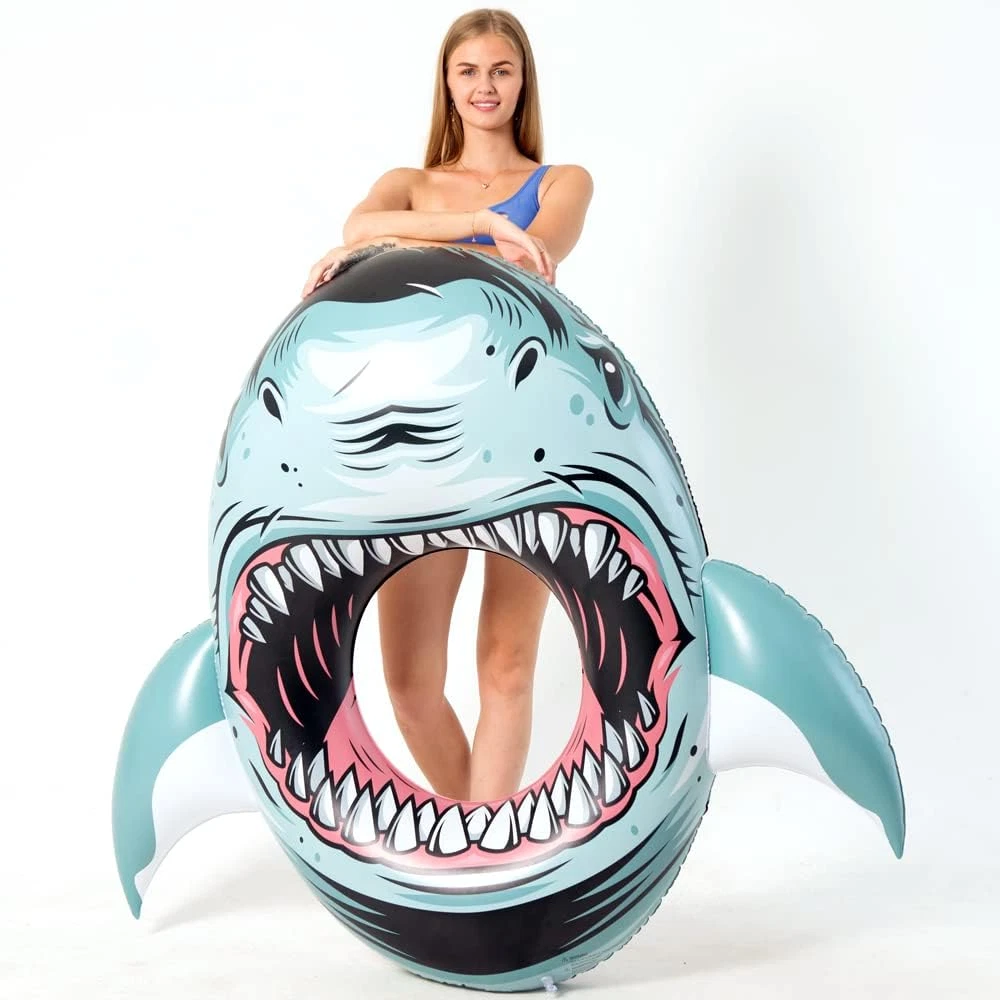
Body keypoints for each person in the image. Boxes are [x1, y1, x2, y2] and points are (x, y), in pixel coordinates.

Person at [300, 8, 594, 803]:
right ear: (448, 84)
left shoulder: (562, 181)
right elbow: (358, 224)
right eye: (468, 71)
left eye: (501, 70)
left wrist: (392, 247)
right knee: (410, 684)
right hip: (417, 437)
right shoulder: (409, 182)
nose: (484, 86)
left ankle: (486, 856)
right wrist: (477, 221)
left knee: (506, 663)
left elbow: (531, 258)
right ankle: (483, 832)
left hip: (528, 430)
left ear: (523, 81)